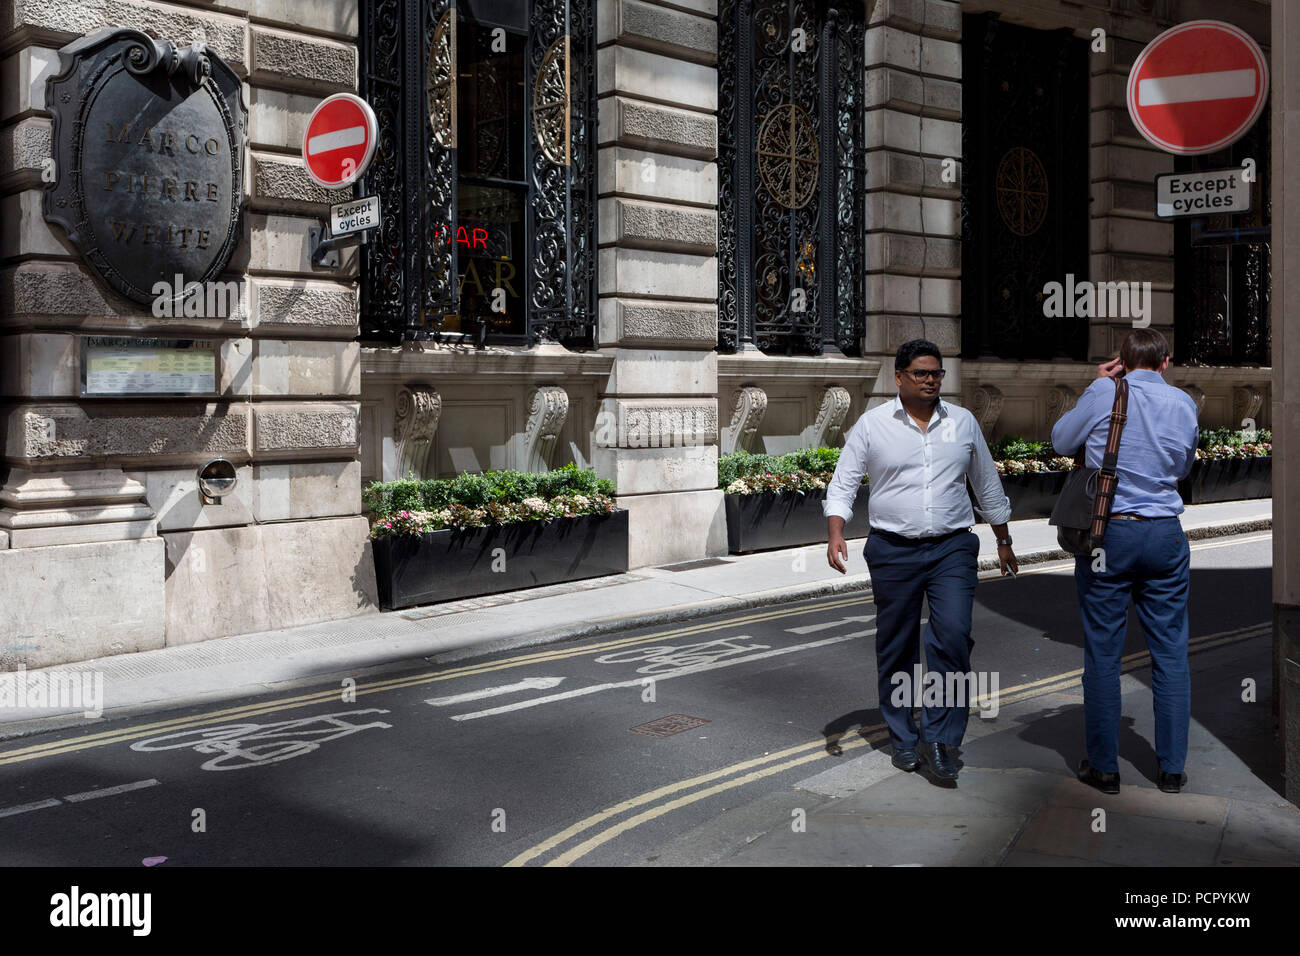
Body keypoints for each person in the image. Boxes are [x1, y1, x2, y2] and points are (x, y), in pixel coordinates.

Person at [825, 339, 1017, 781]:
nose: (930, 380)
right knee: (897, 646)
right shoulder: (873, 425)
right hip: (893, 549)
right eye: (921, 373)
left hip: (952, 546)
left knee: (952, 636)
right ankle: (903, 738)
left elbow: (986, 485)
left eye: (936, 374)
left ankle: (941, 738)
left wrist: (1003, 539)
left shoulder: (963, 423)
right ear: (899, 377)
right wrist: (836, 532)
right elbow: (843, 482)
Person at [1051, 328, 1199, 795]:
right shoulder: (1183, 403)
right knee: (1171, 652)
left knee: (1103, 652)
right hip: (1163, 534)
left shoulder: (1103, 391)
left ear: (1120, 361)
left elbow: (1059, 441)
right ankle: (1172, 769)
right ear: (1166, 363)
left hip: (1107, 534)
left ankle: (1104, 767)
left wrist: (1097, 385)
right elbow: (1183, 469)